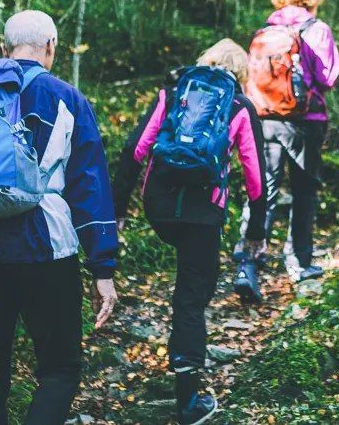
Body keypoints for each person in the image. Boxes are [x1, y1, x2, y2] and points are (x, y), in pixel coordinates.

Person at [0, 10, 118, 424]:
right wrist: (103, 267)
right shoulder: (66, 98)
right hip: (46, 252)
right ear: (51, 47)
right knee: (60, 368)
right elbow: (90, 187)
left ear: (3, 48)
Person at [114, 39, 268, 425]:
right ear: (241, 73)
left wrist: (116, 211)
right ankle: (188, 400)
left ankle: (180, 363)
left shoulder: (174, 91)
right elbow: (256, 176)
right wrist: (257, 232)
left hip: (160, 208)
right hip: (203, 213)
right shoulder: (239, 106)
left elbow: (135, 148)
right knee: (191, 297)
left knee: (187, 284)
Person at [243, 0, 339, 282]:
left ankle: (248, 259)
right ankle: (299, 262)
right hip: (304, 123)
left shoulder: (267, 30)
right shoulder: (318, 30)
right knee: (304, 191)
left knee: (263, 189)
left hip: (264, 119)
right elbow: (328, 78)